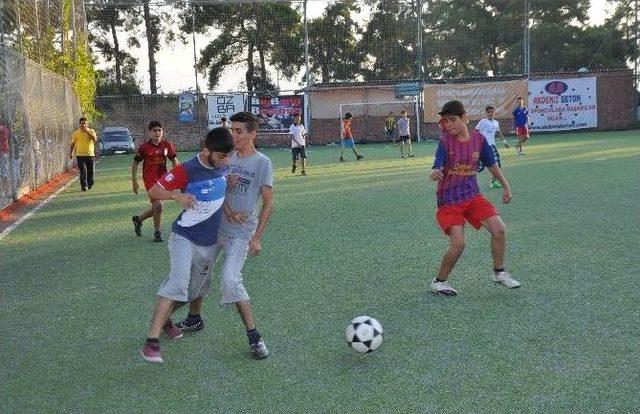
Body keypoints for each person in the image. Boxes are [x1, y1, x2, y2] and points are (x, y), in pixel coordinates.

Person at [175, 111, 274, 360]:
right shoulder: (224, 157)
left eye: (239, 131)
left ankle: (255, 337)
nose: (233, 135)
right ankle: (194, 318)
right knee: (199, 276)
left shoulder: (262, 163)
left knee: (231, 279)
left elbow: (268, 202)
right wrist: (227, 204)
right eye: (232, 130)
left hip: (241, 233)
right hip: (214, 227)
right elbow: (211, 189)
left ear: (253, 134)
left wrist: (257, 237)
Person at [140, 127, 234, 364]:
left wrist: (229, 182)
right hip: (184, 237)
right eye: (221, 156)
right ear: (206, 151)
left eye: (227, 156)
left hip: (209, 243)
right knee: (177, 282)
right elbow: (154, 190)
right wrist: (176, 196)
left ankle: (166, 321)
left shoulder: (223, 167)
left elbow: (220, 192)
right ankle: (151, 343)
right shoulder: (187, 169)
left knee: (193, 292)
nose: (226, 161)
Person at [429, 100, 520, 296]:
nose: (449, 125)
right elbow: (436, 166)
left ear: (465, 118)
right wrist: (435, 172)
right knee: (459, 243)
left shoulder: (479, 140)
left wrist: (506, 186)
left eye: (453, 120)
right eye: (445, 121)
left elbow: (492, 165)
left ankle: (499, 272)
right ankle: (439, 282)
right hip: (449, 201)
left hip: (472, 197)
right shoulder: (445, 141)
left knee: (499, 229)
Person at [131, 121, 179, 243]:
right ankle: (157, 233)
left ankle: (139, 219)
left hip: (163, 181)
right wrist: (134, 181)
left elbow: (174, 160)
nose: (157, 132)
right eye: (154, 130)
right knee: (158, 205)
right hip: (150, 180)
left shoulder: (167, 145)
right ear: (150, 133)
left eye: (159, 130)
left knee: (157, 207)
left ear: (162, 132)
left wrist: (176, 176)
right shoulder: (144, 148)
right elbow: (135, 162)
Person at [475, 106, 508, 188]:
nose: (490, 113)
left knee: (496, 164)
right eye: (489, 112)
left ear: (494, 113)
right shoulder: (483, 121)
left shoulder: (496, 123)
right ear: (486, 113)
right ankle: (463, 180)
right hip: (482, 147)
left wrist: (504, 142)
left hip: (492, 146)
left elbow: (498, 132)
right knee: (479, 167)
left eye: (492, 112)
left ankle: (493, 182)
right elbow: (475, 131)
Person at [69, 117, 97, 191]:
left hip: (90, 155)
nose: (83, 125)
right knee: (83, 171)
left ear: (87, 124)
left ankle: (90, 183)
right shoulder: (76, 133)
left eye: (84, 123)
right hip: (80, 155)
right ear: (79, 124)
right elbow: (73, 143)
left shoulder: (91, 131)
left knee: (91, 171)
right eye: (81, 123)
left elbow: (94, 140)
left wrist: (87, 132)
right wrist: (71, 152)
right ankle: (83, 186)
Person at [0, 119, 10, 197]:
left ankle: (5, 191)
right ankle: (6, 191)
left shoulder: (2, 129)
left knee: (4, 173)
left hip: (2, 152)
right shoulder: (6, 129)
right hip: (5, 152)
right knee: (4, 172)